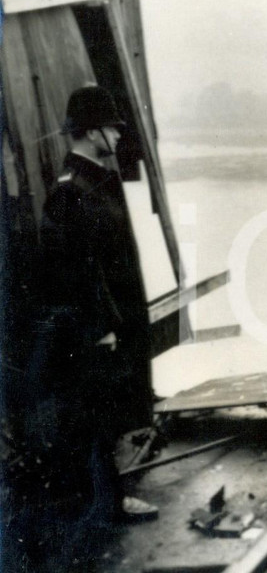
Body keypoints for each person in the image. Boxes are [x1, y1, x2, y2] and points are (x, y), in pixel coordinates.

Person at [30, 85, 157, 527]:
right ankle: (108, 507)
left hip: (114, 324)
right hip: (95, 330)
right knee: (96, 416)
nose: (119, 135)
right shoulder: (71, 192)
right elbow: (68, 272)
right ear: (90, 132)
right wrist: (98, 327)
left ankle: (107, 502)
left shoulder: (96, 182)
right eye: (112, 128)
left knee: (108, 412)